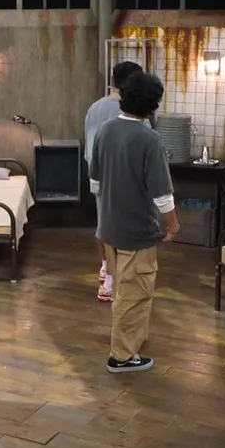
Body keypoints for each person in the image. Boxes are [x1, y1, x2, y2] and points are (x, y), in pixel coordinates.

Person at [89, 72, 177, 374]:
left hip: (109, 229)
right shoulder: (149, 139)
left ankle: (128, 342)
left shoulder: (105, 129)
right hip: (136, 232)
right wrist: (173, 225)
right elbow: (162, 196)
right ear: (152, 105)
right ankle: (122, 356)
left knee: (123, 291)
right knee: (134, 295)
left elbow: (95, 182)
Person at [85, 61, 146, 303]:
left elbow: (90, 149)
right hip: (127, 181)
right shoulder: (135, 111)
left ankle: (105, 268)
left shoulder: (95, 108)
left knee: (104, 226)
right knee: (127, 231)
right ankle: (113, 280)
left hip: (99, 177)